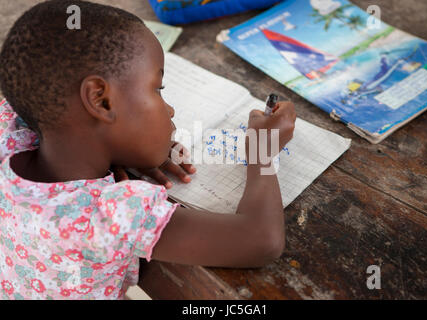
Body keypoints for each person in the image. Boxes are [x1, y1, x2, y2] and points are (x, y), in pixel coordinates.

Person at [0, 0, 296, 299]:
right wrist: (263, 151)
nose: (170, 109)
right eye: (158, 89)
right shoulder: (106, 216)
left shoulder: (7, 132)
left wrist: (119, 145)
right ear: (101, 100)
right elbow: (261, 240)